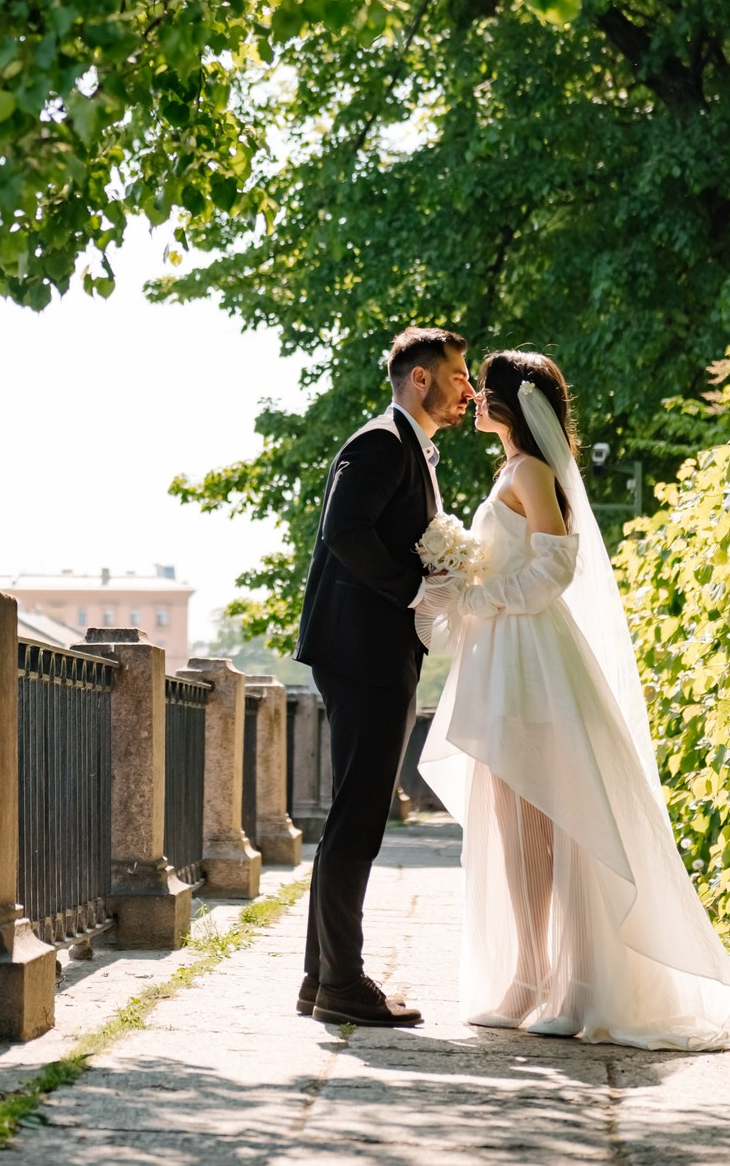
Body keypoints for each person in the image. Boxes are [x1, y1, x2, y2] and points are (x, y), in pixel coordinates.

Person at [417, 349, 730, 1047]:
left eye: (485, 389)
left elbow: (553, 569)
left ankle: (572, 985)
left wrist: (478, 594)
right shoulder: (509, 469)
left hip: (534, 663)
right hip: (504, 659)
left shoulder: (532, 472)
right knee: (512, 826)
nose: (473, 397)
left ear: (512, 402)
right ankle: (527, 977)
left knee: (551, 823)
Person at [294, 324, 474, 1027]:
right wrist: (413, 587)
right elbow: (345, 530)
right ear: (420, 378)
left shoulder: (409, 448)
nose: (468, 388)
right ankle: (342, 984)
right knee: (358, 821)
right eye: (457, 374)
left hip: (372, 651)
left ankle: (322, 980)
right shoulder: (380, 441)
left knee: (354, 818)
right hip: (362, 652)